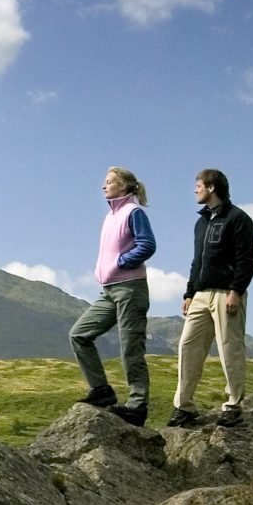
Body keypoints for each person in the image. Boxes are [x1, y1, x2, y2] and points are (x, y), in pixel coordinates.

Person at [171, 167, 253, 429]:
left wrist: (236, 291)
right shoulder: (201, 222)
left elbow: (247, 259)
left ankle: (233, 405)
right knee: (187, 346)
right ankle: (183, 407)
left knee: (229, 348)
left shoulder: (239, 218)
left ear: (211, 187)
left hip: (227, 295)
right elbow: (197, 261)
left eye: (198, 185)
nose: (195, 189)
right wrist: (189, 292)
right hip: (200, 295)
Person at [70, 167, 156, 425]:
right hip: (109, 291)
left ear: (124, 186)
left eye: (109, 182)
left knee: (131, 347)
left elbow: (148, 244)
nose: (103, 186)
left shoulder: (134, 212)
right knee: (79, 335)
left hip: (131, 288)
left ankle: (137, 405)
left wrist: (121, 261)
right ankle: (102, 391)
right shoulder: (110, 216)